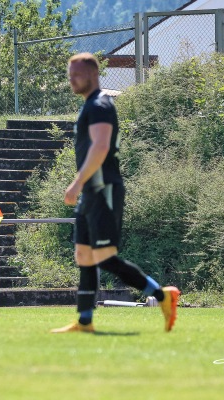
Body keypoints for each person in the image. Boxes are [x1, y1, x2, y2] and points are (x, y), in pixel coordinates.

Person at [50, 53, 180, 334]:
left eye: (76, 74)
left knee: (105, 257)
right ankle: (84, 321)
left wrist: (76, 182)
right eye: (69, 74)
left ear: (93, 75)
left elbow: (101, 147)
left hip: (104, 189)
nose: (71, 79)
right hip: (91, 192)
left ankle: (162, 295)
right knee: (84, 256)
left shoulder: (100, 104)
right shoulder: (89, 106)